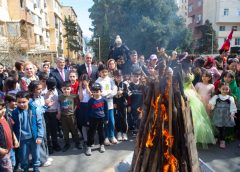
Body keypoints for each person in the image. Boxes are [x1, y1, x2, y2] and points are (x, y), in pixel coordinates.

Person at [181, 56, 215, 147]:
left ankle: (197, 136)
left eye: (191, 61)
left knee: (197, 116)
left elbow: (191, 83)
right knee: (189, 115)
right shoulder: (181, 72)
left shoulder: (190, 70)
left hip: (191, 94)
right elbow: (181, 84)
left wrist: (196, 93)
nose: (191, 63)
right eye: (189, 61)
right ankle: (187, 135)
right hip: (184, 93)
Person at [12, 91, 44, 172]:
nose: (21, 104)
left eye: (24, 102)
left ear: (28, 100)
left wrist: (40, 136)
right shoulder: (15, 113)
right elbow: (13, 127)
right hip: (22, 139)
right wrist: (15, 139)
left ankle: (36, 168)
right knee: (23, 157)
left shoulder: (35, 110)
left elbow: (40, 124)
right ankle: (25, 169)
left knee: (36, 155)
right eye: (19, 102)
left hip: (34, 137)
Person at [28, 81, 53, 167]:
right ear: (32, 90)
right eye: (38, 89)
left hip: (42, 118)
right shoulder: (30, 100)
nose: (40, 90)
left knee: (45, 137)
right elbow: (37, 111)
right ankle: (42, 160)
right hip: (35, 121)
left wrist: (47, 105)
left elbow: (41, 109)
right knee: (40, 139)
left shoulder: (40, 97)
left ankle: (45, 156)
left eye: (41, 88)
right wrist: (47, 106)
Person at [209, 83, 237, 148]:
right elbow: (212, 104)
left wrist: (232, 113)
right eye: (223, 89)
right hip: (217, 115)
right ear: (219, 89)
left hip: (226, 116)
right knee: (217, 127)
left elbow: (232, 106)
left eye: (226, 89)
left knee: (223, 128)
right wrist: (211, 107)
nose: (224, 91)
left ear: (229, 90)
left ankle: (222, 140)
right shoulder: (216, 97)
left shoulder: (230, 98)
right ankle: (216, 137)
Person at [95, 64, 118, 145]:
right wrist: (104, 95)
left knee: (111, 121)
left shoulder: (110, 80)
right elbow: (98, 93)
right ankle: (105, 137)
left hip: (110, 104)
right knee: (105, 122)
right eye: (102, 72)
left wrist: (110, 94)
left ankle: (112, 136)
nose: (104, 74)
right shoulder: (97, 81)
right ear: (99, 72)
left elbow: (114, 88)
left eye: (106, 72)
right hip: (101, 105)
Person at [85, 83, 108, 156]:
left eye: (97, 91)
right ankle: (89, 146)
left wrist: (106, 119)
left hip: (101, 119)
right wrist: (88, 120)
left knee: (101, 132)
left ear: (100, 91)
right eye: (93, 92)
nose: (95, 93)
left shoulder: (104, 100)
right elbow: (88, 111)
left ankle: (101, 145)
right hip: (92, 119)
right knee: (91, 133)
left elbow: (106, 110)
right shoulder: (90, 101)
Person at [58, 81, 81, 152]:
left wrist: (74, 110)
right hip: (63, 116)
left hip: (71, 116)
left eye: (68, 89)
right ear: (62, 89)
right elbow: (58, 105)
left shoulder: (74, 96)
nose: (66, 90)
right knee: (65, 131)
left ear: (71, 89)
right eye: (64, 89)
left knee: (74, 130)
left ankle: (78, 143)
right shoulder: (60, 97)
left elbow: (77, 103)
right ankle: (67, 144)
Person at [0, 99, 19, 172]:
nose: (3, 110)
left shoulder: (6, 117)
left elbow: (11, 130)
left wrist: (15, 139)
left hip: (10, 149)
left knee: (13, 164)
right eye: (0, 109)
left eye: (4, 108)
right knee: (6, 169)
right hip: (3, 151)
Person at [44, 77, 61, 153]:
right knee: (47, 131)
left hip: (54, 113)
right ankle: (49, 146)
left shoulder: (57, 91)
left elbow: (59, 103)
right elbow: (42, 102)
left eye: (53, 85)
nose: (52, 87)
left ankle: (55, 144)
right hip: (46, 113)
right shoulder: (43, 91)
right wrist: (46, 95)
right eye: (50, 85)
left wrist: (59, 112)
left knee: (54, 129)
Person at [113, 70, 129, 141]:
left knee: (123, 118)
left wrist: (122, 92)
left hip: (123, 103)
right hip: (116, 103)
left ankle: (124, 132)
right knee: (117, 118)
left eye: (119, 76)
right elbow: (111, 95)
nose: (118, 78)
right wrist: (113, 103)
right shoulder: (113, 84)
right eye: (116, 76)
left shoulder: (125, 84)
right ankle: (118, 132)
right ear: (114, 77)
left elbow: (127, 95)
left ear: (122, 76)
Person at [77, 74, 92, 145]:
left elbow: (91, 96)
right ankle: (85, 139)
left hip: (89, 106)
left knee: (89, 123)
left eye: (85, 81)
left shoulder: (91, 88)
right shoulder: (79, 88)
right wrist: (80, 87)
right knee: (83, 124)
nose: (83, 83)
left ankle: (90, 138)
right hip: (82, 106)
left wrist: (87, 86)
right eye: (82, 81)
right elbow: (81, 98)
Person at [128, 70, 144, 135]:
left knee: (140, 118)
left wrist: (143, 107)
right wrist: (129, 105)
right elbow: (128, 97)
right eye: (134, 76)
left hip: (140, 105)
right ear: (132, 77)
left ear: (139, 77)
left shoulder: (142, 86)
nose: (135, 78)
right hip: (132, 105)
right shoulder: (129, 86)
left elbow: (144, 98)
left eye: (137, 76)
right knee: (133, 118)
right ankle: (134, 130)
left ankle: (139, 130)